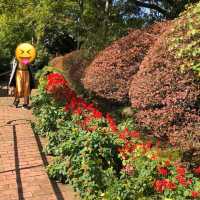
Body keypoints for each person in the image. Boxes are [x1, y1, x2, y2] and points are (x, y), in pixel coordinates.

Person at [8, 43, 36, 109]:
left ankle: (25, 104)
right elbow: (12, 64)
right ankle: (16, 101)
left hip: (26, 73)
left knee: (26, 88)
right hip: (18, 72)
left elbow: (29, 62)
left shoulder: (28, 57)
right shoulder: (17, 57)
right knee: (19, 88)